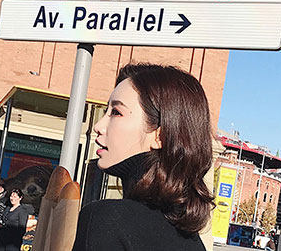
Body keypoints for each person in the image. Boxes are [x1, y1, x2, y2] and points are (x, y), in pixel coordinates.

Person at [72, 64, 214, 251]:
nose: (98, 126)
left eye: (116, 112)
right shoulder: (192, 241)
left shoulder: (107, 220)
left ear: (159, 136)